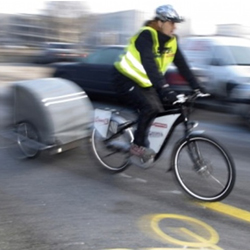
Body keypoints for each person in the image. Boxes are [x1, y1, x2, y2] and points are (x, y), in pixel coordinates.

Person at [113, 4, 203, 166]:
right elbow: (150, 64)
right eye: (172, 23)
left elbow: (182, 65)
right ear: (160, 22)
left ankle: (144, 133)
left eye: (176, 23)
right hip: (125, 78)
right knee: (150, 107)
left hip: (145, 82)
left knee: (162, 108)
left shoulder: (172, 42)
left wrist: (197, 86)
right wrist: (164, 88)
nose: (175, 27)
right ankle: (137, 146)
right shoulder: (146, 36)